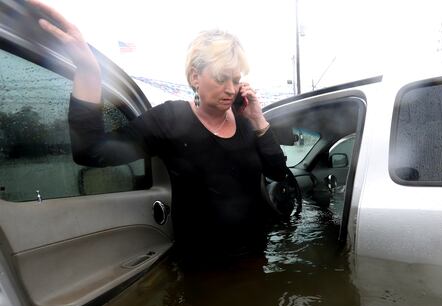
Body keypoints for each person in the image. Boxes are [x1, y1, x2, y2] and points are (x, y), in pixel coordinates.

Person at [30, 0, 288, 265]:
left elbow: (278, 173)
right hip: (201, 269)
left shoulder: (245, 120)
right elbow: (91, 151)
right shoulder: (169, 119)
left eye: (236, 80)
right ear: (195, 76)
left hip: (256, 259)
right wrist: (87, 71)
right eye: (221, 78)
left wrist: (258, 119)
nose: (231, 89)